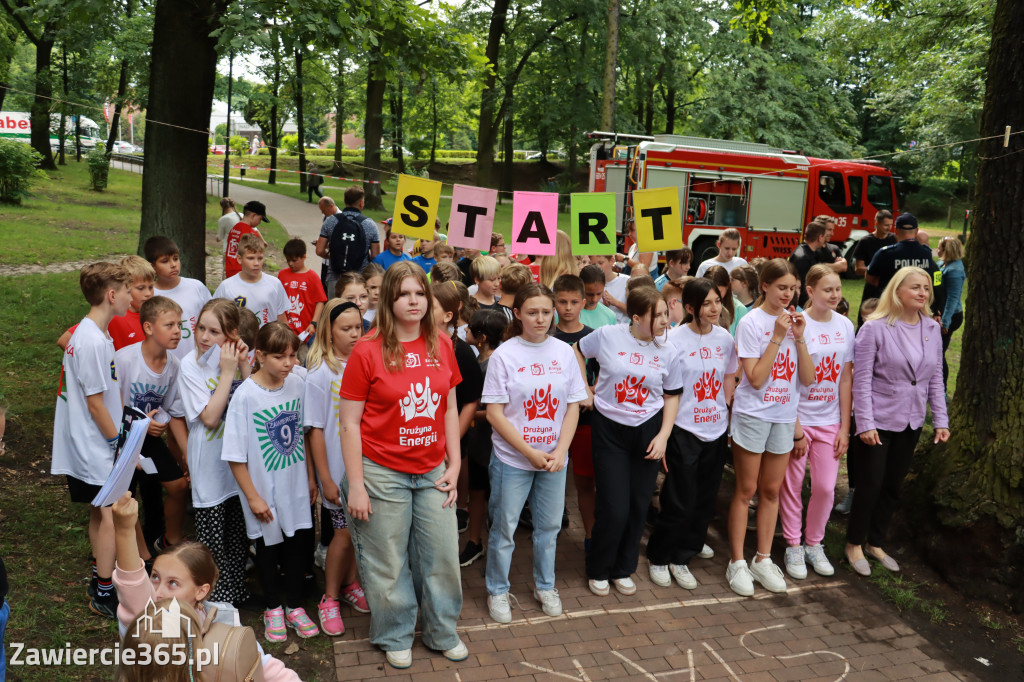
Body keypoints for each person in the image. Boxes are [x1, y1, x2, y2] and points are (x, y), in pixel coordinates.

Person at [339, 262, 467, 670]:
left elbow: (449, 406)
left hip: (432, 469)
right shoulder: (367, 350)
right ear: (389, 300)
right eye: (404, 294)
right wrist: (356, 484)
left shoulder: (441, 343)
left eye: (419, 294)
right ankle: (394, 633)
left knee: (443, 555)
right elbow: (348, 423)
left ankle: (442, 630)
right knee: (388, 560)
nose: (413, 301)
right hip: (380, 471)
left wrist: (455, 461)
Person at [110, 493, 301, 680]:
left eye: (173, 583)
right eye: (155, 577)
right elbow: (132, 590)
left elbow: (262, 665)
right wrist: (124, 532)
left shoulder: (225, 623)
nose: (158, 592)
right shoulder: (146, 624)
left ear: (201, 591)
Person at [482, 283, 585, 622]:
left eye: (546, 311)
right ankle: (497, 589)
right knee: (504, 528)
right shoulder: (505, 355)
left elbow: (573, 405)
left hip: (554, 460)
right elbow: (495, 413)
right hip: (513, 460)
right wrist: (528, 452)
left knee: (549, 528)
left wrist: (560, 450)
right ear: (518, 314)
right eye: (533, 312)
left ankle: (545, 585)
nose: (541, 318)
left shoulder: (564, 352)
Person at [577, 287, 682, 597]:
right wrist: (584, 388)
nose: (665, 320)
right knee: (613, 507)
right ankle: (599, 568)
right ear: (636, 318)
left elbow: (672, 395)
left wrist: (663, 436)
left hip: (648, 430)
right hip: (609, 429)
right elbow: (576, 350)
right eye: (658, 315)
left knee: (638, 505)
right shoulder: (608, 335)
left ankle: (623, 569)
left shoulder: (669, 350)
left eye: (666, 313)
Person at [845, 267, 949, 576]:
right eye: (915, 287)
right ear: (897, 291)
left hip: (912, 421)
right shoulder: (874, 328)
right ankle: (853, 543)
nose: (922, 292)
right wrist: (864, 423)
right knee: (871, 484)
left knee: (892, 486)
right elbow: (860, 381)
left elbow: (934, 381)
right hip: (877, 422)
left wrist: (940, 420)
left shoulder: (931, 328)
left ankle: (875, 542)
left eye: (926, 288)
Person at [223, 322, 318, 641]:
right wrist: (253, 497)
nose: (289, 363)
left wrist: (309, 477)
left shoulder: (297, 385)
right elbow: (236, 456)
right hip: (263, 491)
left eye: (292, 355)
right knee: (267, 548)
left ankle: (294, 605)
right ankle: (273, 607)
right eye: (280, 357)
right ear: (260, 356)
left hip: (295, 489)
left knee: (296, 545)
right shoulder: (245, 396)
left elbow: (303, 436)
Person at [727, 259, 814, 597]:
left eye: (792, 288)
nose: (788, 295)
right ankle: (736, 561)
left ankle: (762, 559)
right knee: (746, 490)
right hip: (753, 415)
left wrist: (799, 337)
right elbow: (757, 378)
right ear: (764, 286)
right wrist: (778, 337)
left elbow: (807, 379)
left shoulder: (796, 323)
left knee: (771, 491)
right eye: (782, 288)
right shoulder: (750, 323)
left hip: (783, 415)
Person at [51, 262, 132, 618]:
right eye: (128, 290)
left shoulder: (94, 333)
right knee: (110, 513)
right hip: (95, 443)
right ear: (112, 296)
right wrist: (120, 442)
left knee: (101, 513)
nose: (131, 297)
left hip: (91, 440)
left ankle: (102, 575)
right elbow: (96, 404)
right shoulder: (91, 341)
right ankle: (104, 591)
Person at [647, 278, 738, 590]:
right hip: (683, 430)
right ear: (689, 308)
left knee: (704, 498)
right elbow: (662, 390)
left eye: (718, 301)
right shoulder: (673, 340)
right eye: (707, 303)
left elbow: (728, 377)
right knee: (678, 498)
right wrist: (663, 433)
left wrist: (727, 418)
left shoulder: (725, 339)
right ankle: (660, 555)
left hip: (715, 429)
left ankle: (684, 554)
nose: (715, 308)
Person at [778, 265, 854, 580]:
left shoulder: (846, 326)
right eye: (827, 290)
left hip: (829, 421)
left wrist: (845, 427)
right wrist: (794, 425)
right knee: (792, 485)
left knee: (825, 488)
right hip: (798, 419)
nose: (834, 295)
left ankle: (814, 542)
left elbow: (846, 379)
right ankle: (793, 544)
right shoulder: (798, 324)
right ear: (810, 291)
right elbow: (787, 378)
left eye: (837, 289)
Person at [177, 299, 252, 606]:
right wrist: (227, 373)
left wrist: (245, 366)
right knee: (212, 542)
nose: (204, 337)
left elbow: (253, 404)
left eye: (214, 331)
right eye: (201, 328)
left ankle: (234, 594)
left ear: (231, 335)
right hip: (208, 466)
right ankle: (212, 602)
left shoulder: (237, 359)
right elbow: (208, 418)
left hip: (235, 467)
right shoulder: (190, 365)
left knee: (237, 537)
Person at [305, 301, 370, 636]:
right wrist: (325, 477)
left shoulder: (366, 363)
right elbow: (315, 429)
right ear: (329, 332)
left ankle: (351, 583)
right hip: (336, 472)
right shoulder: (320, 374)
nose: (355, 334)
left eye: (358, 327)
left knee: (362, 533)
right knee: (342, 536)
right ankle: (329, 599)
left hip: (365, 469)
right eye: (347, 329)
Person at [114, 297, 190, 556]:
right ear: (148, 328)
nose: (177, 331)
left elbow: (172, 409)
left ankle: (170, 540)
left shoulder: (174, 366)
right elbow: (112, 404)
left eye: (179, 325)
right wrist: (141, 425)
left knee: (179, 486)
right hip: (121, 440)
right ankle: (133, 553)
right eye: (169, 325)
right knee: (126, 496)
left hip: (149, 438)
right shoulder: (124, 359)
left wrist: (165, 428)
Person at [430, 283, 484, 561]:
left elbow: (471, 400)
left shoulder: (460, 352)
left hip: (448, 443)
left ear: (448, 316)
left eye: (431, 305)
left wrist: (452, 442)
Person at [551, 275, 599, 549]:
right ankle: (551, 522)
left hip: (586, 421)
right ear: (554, 302)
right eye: (562, 302)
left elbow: (606, 375)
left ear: (583, 303)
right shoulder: (548, 335)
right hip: (551, 422)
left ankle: (591, 535)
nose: (568, 308)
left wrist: (592, 391)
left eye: (573, 302)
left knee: (584, 482)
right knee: (551, 480)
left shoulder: (593, 337)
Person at [460, 308, 508, 567]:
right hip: (479, 441)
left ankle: (493, 547)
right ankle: (474, 541)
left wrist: (465, 415)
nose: (464, 331)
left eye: (469, 329)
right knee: (477, 492)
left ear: (481, 337)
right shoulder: (478, 360)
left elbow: (492, 411)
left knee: (494, 496)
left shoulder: (493, 365)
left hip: (492, 443)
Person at [865, 212, 946, 317]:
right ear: (916, 231)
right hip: (917, 310)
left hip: (891, 308)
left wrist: (887, 286)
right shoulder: (926, 254)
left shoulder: (885, 253)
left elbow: (869, 278)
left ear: (895, 231)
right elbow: (936, 282)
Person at [145, 236, 212, 361]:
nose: (173, 265)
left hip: (197, 362)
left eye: (175, 259)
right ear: (153, 267)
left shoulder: (196, 287)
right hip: (164, 364)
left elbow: (214, 319)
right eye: (165, 261)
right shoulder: (149, 295)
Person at [214, 233, 289, 327]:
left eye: (260, 258)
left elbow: (282, 321)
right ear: (239, 259)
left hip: (267, 340)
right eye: (250, 258)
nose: (256, 263)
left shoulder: (275, 284)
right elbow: (215, 318)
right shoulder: (226, 287)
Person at [315, 190, 381, 296]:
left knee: (335, 310)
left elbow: (319, 250)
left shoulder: (330, 221)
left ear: (345, 201)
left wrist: (332, 256)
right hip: (359, 279)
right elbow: (375, 256)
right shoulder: (370, 224)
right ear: (361, 202)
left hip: (334, 277)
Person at [278, 238, 328, 363]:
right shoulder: (282, 275)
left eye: (294, 260)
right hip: (287, 330)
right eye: (288, 260)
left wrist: (314, 323)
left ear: (304, 257)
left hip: (306, 332)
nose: (290, 263)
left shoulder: (312, 277)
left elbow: (320, 301)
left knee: (306, 362)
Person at [936, 237, 965, 387]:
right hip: (941, 314)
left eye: (939, 247)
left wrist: (945, 322)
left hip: (951, 316)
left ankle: (942, 390)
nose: (937, 250)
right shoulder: (943, 263)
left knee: (938, 355)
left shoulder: (955, 271)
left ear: (947, 250)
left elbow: (953, 299)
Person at [854, 210, 898, 306]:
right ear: (876, 223)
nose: (889, 228)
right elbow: (858, 268)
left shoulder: (895, 240)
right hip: (873, 287)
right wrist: (877, 271)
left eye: (891, 225)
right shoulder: (865, 241)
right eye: (886, 225)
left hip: (891, 288)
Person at [224, 200, 269, 280]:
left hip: (230, 270)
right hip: (243, 272)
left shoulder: (234, 229)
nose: (259, 223)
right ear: (253, 215)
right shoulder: (250, 233)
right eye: (260, 219)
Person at [788, 220, 828, 308]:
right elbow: (803, 288)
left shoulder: (808, 253)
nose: (825, 240)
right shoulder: (803, 258)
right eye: (824, 237)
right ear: (820, 237)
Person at [705, 264, 746, 335]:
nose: (714, 296)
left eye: (719, 292)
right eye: (710, 292)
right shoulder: (699, 305)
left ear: (728, 286)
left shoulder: (740, 310)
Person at [589, 254, 630, 323]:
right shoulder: (589, 284)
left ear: (611, 261)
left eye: (600, 263)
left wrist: (615, 302)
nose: (597, 267)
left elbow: (637, 312)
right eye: (593, 264)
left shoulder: (627, 281)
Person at [578, 264, 618, 329]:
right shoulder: (569, 313)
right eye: (589, 294)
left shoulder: (610, 316)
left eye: (599, 294)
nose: (595, 299)